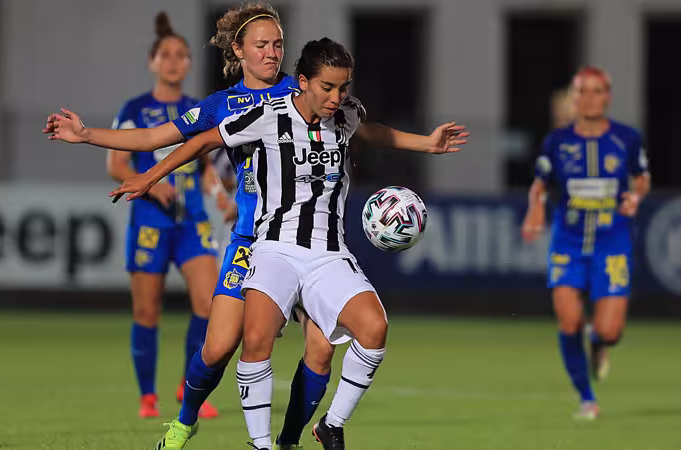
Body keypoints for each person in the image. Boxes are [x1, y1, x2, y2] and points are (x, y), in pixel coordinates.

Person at [110, 38, 468, 450]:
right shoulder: (267, 115)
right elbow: (203, 141)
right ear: (303, 82)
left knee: (370, 329)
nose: (336, 97)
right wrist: (149, 175)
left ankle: (322, 428)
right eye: (328, 87)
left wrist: (427, 143)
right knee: (246, 341)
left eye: (343, 87)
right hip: (273, 247)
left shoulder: (346, 114)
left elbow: (370, 131)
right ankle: (243, 439)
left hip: (329, 253)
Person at [104, 12, 232, 420]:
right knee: (147, 311)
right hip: (151, 222)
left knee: (209, 304)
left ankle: (187, 387)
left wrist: (220, 197)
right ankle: (147, 396)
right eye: (167, 55)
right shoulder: (135, 109)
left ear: (190, 63)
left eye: (182, 55)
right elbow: (116, 164)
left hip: (192, 220)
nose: (175, 62)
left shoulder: (197, 108)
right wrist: (152, 183)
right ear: (153, 62)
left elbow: (206, 166)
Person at [522, 67, 650, 420]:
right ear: (573, 98)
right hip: (569, 242)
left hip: (613, 241)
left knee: (611, 331)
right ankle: (587, 399)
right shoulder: (557, 142)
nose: (590, 98)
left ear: (607, 96)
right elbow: (540, 184)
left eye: (597, 91)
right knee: (569, 320)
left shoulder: (627, 137)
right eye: (582, 91)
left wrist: (636, 197)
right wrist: (535, 209)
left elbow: (641, 177)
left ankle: (598, 342)